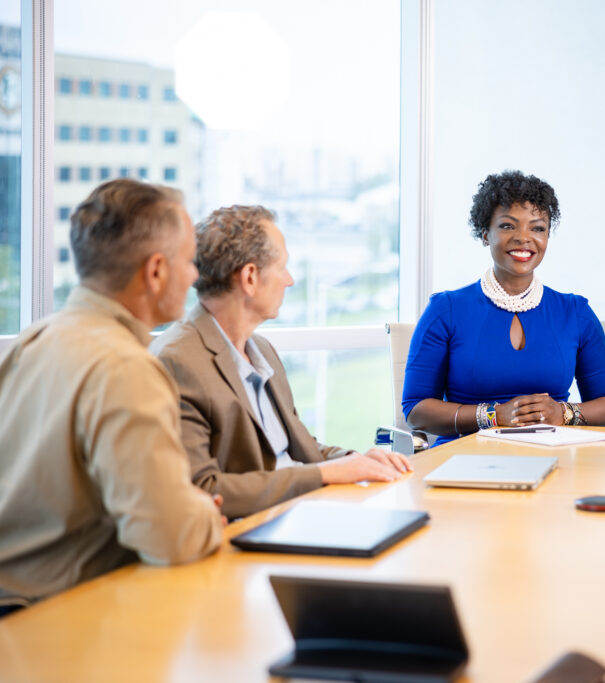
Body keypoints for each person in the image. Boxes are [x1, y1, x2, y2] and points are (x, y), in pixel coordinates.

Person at [0, 179, 222, 615]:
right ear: (156, 271)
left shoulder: (34, 341)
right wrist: (199, 511)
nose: (195, 275)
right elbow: (170, 538)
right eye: (189, 261)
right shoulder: (125, 367)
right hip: (58, 621)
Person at [151, 205, 411, 520]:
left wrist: (356, 460)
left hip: (299, 513)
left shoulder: (262, 349)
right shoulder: (177, 361)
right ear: (249, 277)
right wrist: (326, 474)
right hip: (253, 530)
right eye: (282, 267)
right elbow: (204, 488)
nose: (289, 280)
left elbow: (298, 448)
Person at [403, 170, 605, 445]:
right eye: (508, 226)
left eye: (537, 228)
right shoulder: (446, 310)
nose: (524, 237)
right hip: (466, 461)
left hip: (554, 457)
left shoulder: (575, 313)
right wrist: (495, 416)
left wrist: (564, 413)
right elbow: (416, 410)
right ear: (485, 233)